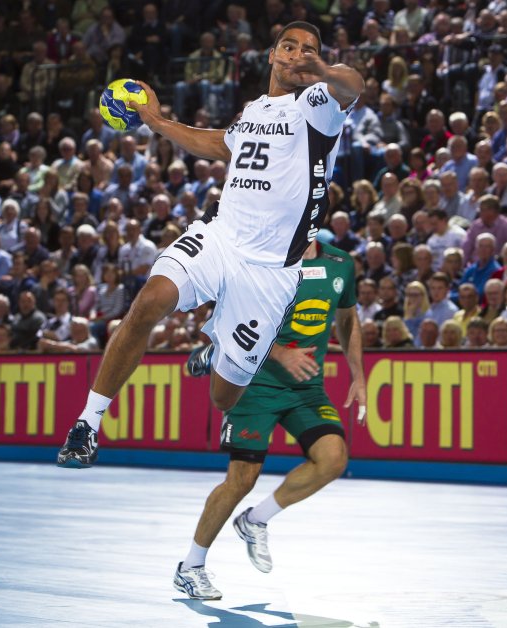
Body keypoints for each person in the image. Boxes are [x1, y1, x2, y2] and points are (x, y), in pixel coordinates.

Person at [57, 21, 364, 485]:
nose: (298, 54)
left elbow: (353, 84)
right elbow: (220, 143)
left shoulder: (317, 105)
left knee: (224, 397)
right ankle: (88, 423)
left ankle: (219, 348)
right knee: (150, 301)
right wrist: (157, 123)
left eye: (309, 49)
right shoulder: (253, 110)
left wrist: (321, 69)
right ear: (272, 55)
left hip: (269, 272)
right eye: (289, 46)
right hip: (220, 238)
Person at [175, 236, 364, 598]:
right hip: (255, 382)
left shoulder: (340, 263)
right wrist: (280, 353)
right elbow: (238, 315)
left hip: (305, 387)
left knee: (333, 458)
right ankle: (190, 567)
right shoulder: (263, 259)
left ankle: (256, 520)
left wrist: (359, 376)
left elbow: (348, 318)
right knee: (241, 480)